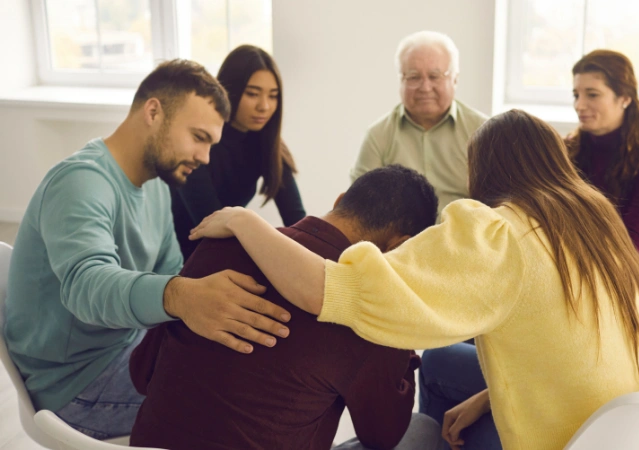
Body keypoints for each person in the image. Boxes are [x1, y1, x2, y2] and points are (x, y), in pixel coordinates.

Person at [191, 109, 639, 450]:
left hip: (566, 437)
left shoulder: (498, 233)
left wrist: (243, 221)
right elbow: (577, 342)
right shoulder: (593, 217)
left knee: (412, 423)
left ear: (482, 173)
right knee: (442, 362)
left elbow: (328, 289)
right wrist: (489, 397)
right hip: (632, 428)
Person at [2, 60, 292, 440]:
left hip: (127, 347)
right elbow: (87, 286)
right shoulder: (81, 183)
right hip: (74, 385)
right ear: (153, 112)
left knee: (257, 371)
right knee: (242, 411)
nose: (205, 157)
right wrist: (181, 296)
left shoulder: (156, 184)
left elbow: (171, 268)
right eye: (198, 137)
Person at [130, 165, 440, 450]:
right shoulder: (369, 307)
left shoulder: (221, 241)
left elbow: (141, 373)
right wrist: (403, 341)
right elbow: (383, 436)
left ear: (340, 200)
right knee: (422, 429)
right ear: (399, 245)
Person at [171, 45, 306, 260]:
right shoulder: (198, 145)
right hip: (186, 259)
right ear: (229, 90)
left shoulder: (267, 143)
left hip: (229, 253)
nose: (264, 106)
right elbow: (211, 225)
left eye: (273, 96)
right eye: (252, 94)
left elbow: (297, 221)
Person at [566, 49, 639, 306]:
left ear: (624, 97)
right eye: (576, 95)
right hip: (574, 272)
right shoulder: (568, 151)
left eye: (592, 94)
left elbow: (627, 245)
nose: (580, 105)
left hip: (636, 279)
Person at [351, 30, 487, 215]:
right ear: (401, 80)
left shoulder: (483, 132)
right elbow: (359, 208)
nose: (425, 87)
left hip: (465, 240)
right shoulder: (378, 136)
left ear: (455, 79)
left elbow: (500, 205)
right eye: (414, 77)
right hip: (399, 242)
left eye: (434, 76)